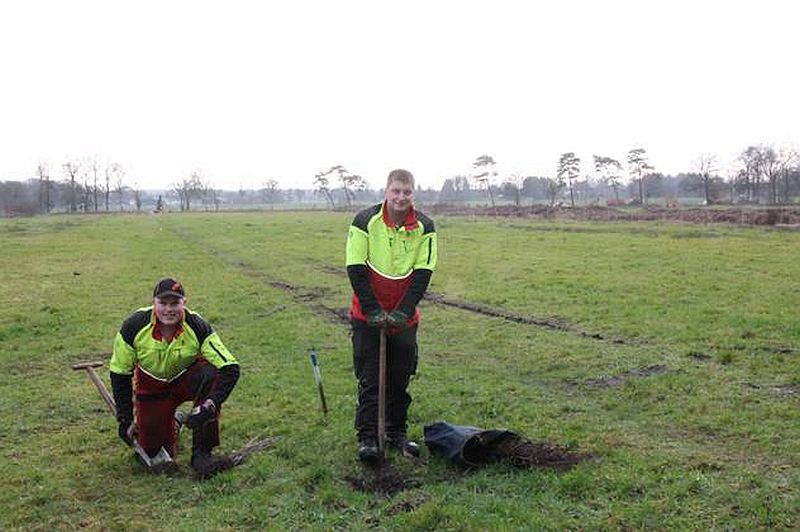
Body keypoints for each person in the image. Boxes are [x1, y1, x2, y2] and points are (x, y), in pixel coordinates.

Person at [346, 169, 438, 462]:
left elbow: (423, 272)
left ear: (413, 193)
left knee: (400, 378)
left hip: (404, 317)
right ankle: (369, 437)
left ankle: (396, 432)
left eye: (407, 192)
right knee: (371, 378)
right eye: (396, 191)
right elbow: (356, 268)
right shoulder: (364, 221)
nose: (401, 197)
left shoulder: (425, 226)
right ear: (386, 191)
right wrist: (372, 310)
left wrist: (404, 310)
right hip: (366, 313)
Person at [109, 278, 241, 478]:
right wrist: (125, 418)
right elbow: (120, 373)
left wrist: (209, 406)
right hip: (152, 386)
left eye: (175, 303)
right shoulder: (133, 326)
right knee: (153, 450)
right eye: (163, 303)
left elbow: (230, 367)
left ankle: (202, 452)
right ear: (154, 303)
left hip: (185, 379)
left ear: (184, 303)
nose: (168, 309)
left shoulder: (197, 325)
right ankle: (175, 423)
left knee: (211, 372)